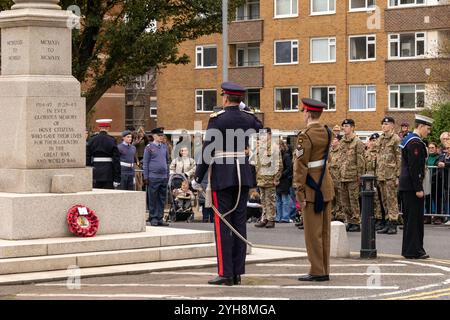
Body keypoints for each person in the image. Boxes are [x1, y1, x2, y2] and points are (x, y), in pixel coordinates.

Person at [193, 81, 263, 286]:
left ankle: (226, 273)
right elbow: (259, 126)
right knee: (239, 223)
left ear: (225, 98)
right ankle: (238, 272)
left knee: (223, 223)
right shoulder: (248, 118)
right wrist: (246, 110)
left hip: (223, 176)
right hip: (243, 174)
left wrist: (198, 177)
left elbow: (208, 150)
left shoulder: (217, 119)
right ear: (240, 100)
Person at [293, 98, 334, 282]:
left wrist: (299, 191)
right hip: (325, 186)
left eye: (303, 111)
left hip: (311, 188)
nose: (303, 114)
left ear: (308, 113)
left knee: (312, 233)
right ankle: (324, 268)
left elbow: (300, 166)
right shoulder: (327, 132)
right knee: (324, 232)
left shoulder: (305, 135)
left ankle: (317, 270)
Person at [399, 114, 434, 259]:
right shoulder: (415, 143)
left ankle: (408, 250)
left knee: (410, 220)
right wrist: (418, 188)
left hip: (407, 186)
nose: (428, 131)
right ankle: (415, 251)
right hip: (412, 187)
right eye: (427, 128)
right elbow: (414, 168)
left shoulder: (408, 139)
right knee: (414, 220)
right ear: (420, 126)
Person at [376, 117, 402, 235]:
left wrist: (398, 176)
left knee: (392, 200)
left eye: (386, 124)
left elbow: (399, 158)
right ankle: (387, 221)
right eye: (382, 124)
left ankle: (393, 223)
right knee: (384, 200)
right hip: (381, 174)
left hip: (390, 175)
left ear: (392, 125)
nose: (383, 126)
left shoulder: (396, 139)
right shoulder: (381, 138)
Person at [338, 119, 366, 232]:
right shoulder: (342, 142)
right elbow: (340, 158)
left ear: (353, 127)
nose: (345, 128)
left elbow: (360, 161)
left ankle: (356, 221)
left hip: (353, 176)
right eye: (343, 126)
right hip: (343, 176)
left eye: (347, 126)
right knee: (344, 201)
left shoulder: (357, 142)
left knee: (353, 200)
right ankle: (349, 220)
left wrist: (360, 177)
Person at [254, 128, 283, 229]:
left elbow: (278, 164)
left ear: (269, 135)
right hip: (261, 178)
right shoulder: (260, 147)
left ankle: (271, 219)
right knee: (263, 200)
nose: (262, 137)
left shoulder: (274, 147)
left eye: (264, 134)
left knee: (270, 199)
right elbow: (257, 164)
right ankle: (265, 218)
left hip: (270, 178)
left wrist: (276, 178)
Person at [143, 127, 170, 227]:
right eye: (159, 135)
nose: (161, 137)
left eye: (162, 135)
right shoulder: (149, 147)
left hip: (163, 177)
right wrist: (146, 177)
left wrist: (167, 175)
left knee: (162, 198)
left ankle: (160, 217)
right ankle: (153, 217)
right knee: (153, 198)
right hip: (153, 177)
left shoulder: (164, 147)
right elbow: (145, 163)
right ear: (154, 136)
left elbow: (167, 162)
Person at [86, 119, 121, 189]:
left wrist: (89, 172)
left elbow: (87, 157)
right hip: (108, 172)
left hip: (95, 171)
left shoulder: (92, 139)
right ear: (108, 128)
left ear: (99, 128)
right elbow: (116, 160)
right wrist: (117, 178)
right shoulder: (112, 140)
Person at [364, 133, 385, 231]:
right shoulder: (367, 153)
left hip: (378, 178)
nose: (374, 142)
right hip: (369, 179)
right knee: (372, 200)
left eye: (376, 140)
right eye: (372, 140)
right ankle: (374, 218)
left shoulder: (380, 152)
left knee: (379, 200)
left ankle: (380, 219)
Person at [275, 139, 295, 223]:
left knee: (285, 199)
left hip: (284, 180)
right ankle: (278, 217)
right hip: (277, 180)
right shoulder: (275, 156)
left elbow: (289, 168)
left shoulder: (286, 156)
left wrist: (280, 175)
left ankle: (285, 217)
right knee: (278, 200)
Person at [328, 134, 345, 222]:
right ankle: (332, 214)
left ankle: (340, 215)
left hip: (338, 178)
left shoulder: (341, 152)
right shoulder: (330, 151)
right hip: (330, 178)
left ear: (339, 141)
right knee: (331, 197)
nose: (332, 141)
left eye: (334, 139)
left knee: (340, 198)